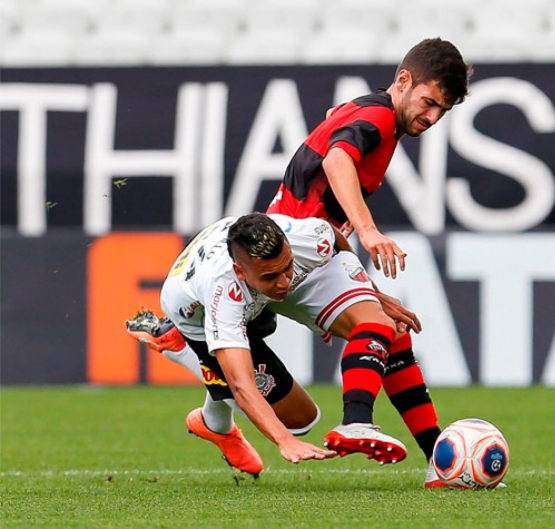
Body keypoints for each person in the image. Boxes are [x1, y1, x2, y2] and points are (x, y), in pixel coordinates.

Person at [265, 37, 473, 488]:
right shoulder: (378, 116)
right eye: (430, 102)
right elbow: (339, 158)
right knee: (377, 326)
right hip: (298, 245)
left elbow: (330, 130)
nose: (433, 117)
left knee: (392, 331)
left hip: (300, 246)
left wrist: (372, 293)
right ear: (403, 80)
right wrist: (369, 230)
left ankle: (440, 459)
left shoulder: (365, 111)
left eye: (443, 111)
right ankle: (356, 421)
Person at [127, 212, 352, 475]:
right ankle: (180, 344)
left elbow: (332, 236)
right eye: (270, 277)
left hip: (234, 282)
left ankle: (213, 423)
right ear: (239, 271)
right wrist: (285, 441)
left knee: (265, 324)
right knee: (298, 421)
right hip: (193, 314)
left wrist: (374, 293)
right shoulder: (223, 295)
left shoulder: (307, 238)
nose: (283, 283)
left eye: (287, 268)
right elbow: (241, 384)